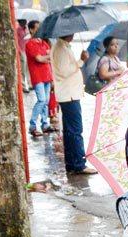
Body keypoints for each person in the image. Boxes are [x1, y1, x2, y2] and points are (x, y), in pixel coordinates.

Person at [51, 34, 97, 175]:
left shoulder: (63, 47)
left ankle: (72, 163)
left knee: (70, 131)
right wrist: (81, 61)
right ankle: (78, 164)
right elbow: (65, 71)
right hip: (69, 95)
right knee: (76, 130)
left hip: (69, 94)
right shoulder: (60, 49)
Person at [25, 20, 55, 137]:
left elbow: (49, 55)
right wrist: (48, 57)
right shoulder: (30, 44)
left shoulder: (43, 42)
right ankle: (32, 125)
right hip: (37, 76)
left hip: (47, 75)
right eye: (37, 28)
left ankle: (45, 124)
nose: (39, 30)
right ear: (31, 29)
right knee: (42, 100)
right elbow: (39, 59)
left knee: (46, 101)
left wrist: (47, 57)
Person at [16, 19, 30, 92]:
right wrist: (19, 50)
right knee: (23, 69)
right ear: (20, 22)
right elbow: (16, 40)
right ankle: (23, 85)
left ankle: (29, 84)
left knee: (28, 68)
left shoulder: (26, 29)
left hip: (27, 49)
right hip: (22, 50)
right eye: (24, 21)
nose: (25, 22)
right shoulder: (18, 30)